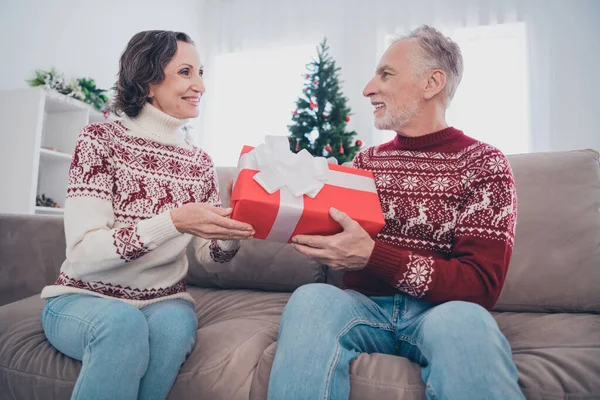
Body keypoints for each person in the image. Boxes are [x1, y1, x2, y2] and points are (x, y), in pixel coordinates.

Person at [267, 25, 524, 400]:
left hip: (441, 312)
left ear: (432, 82)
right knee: (311, 299)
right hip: (363, 308)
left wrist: (373, 255)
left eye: (386, 74)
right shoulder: (365, 162)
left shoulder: (484, 164)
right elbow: (333, 233)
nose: (368, 88)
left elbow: (480, 285)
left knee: (466, 322)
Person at [40, 30, 255, 400]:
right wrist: (172, 221)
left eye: (201, 72)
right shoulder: (99, 141)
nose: (201, 85)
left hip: (164, 301)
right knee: (122, 325)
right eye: (186, 72)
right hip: (82, 296)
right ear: (149, 80)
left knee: (173, 330)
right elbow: (83, 252)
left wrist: (230, 228)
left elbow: (211, 257)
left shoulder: (200, 162)